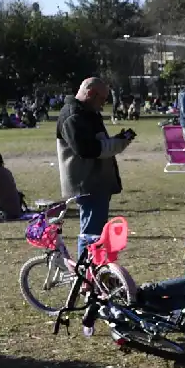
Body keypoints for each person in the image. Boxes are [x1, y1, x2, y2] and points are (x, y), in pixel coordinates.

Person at [56, 78, 135, 258]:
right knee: (91, 233)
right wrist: (118, 143)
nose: (103, 104)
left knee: (97, 232)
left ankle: (93, 268)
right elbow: (87, 150)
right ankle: (86, 272)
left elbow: (98, 142)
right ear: (91, 93)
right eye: (102, 99)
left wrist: (117, 140)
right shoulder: (73, 116)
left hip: (96, 181)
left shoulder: (87, 113)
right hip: (87, 183)